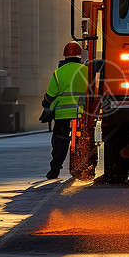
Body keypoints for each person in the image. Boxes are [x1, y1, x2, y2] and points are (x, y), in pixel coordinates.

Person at [42, 41, 88, 179]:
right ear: (80, 57)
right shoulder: (87, 71)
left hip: (63, 115)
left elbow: (51, 95)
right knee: (85, 139)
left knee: (59, 141)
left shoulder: (58, 73)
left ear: (64, 57)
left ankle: (54, 169)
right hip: (83, 114)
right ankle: (84, 168)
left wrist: (45, 102)